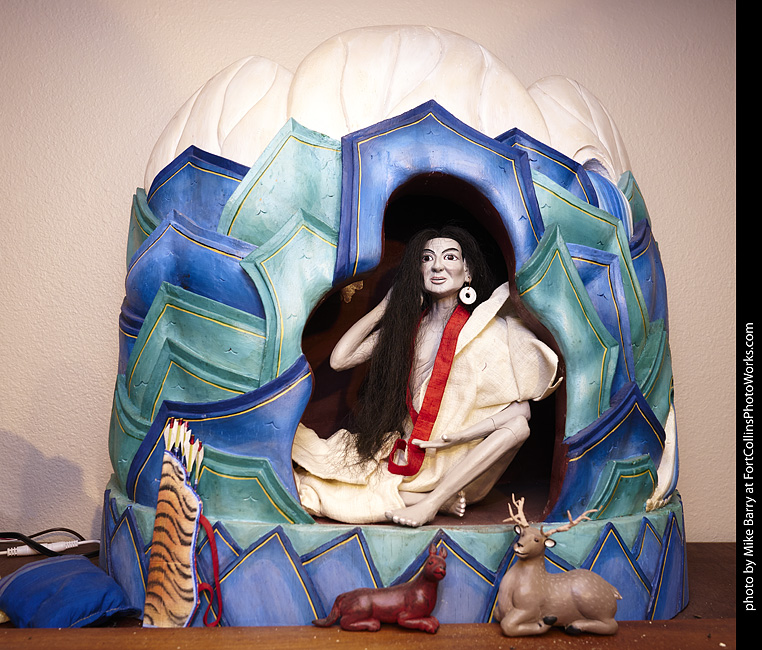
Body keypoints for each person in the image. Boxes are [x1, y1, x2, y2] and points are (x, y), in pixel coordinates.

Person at [292, 225, 560, 527]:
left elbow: (522, 412)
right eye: (427, 258)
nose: (437, 266)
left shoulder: (488, 330)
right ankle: (430, 500)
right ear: (418, 271)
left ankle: (431, 502)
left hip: (461, 463)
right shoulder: (408, 330)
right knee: (321, 479)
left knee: (518, 427)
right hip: (409, 454)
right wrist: (387, 305)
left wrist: (459, 437)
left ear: (467, 272)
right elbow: (340, 359)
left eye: (450, 257)